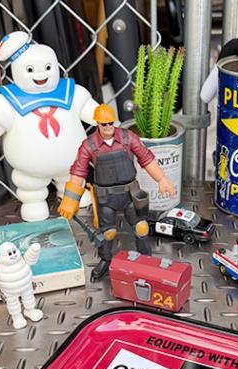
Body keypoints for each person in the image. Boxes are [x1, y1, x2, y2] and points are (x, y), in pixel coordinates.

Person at [59, 104, 176, 281]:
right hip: (106, 198)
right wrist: (70, 200)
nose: (108, 127)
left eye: (110, 123)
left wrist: (161, 179)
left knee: (142, 227)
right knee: (108, 233)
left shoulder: (128, 138)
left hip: (130, 194)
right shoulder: (88, 145)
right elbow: (78, 171)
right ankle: (105, 260)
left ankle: (146, 261)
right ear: (97, 123)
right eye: (104, 124)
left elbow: (145, 157)